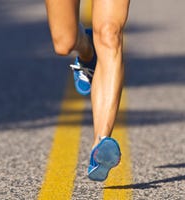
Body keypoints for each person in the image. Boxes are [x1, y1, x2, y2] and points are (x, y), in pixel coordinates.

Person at [45, 0, 130, 181]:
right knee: (64, 42)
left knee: (110, 34)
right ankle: (86, 51)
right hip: (73, 42)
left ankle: (100, 145)